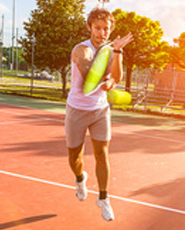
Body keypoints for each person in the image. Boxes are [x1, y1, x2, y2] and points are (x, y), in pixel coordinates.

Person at [65, 7, 133, 221]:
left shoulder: (111, 50)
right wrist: (101, 80)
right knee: (74, 157)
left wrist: (118, 54)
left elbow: (116, 77)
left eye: (106, 29)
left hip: (100, 110)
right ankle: (79, 179)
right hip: (77, 109)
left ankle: (103, 198)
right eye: (98, 28)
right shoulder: (80, 49)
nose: (102, 33)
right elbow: (87, 71)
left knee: (102, 154)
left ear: (110, 30)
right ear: (89, 27)